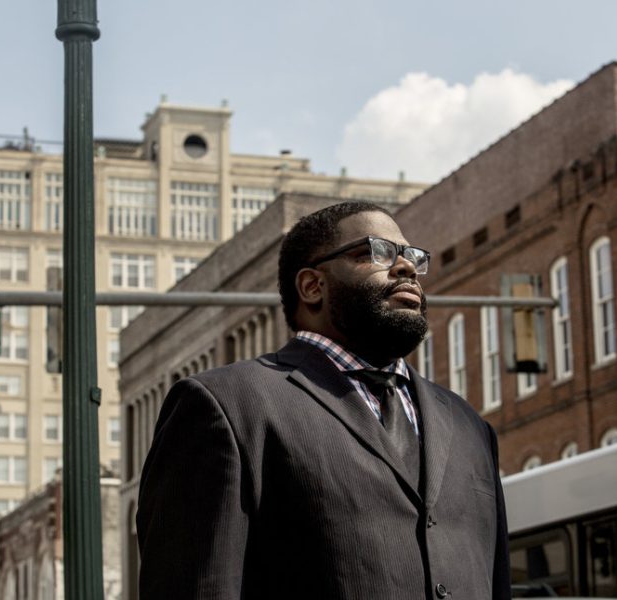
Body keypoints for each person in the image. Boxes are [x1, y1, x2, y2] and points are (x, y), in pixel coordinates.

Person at [137, 201, 511, 600]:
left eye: (412, 258)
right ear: (312, 286)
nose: (405, 268)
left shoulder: (470, 426)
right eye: (375, 252)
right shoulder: (226, 406)